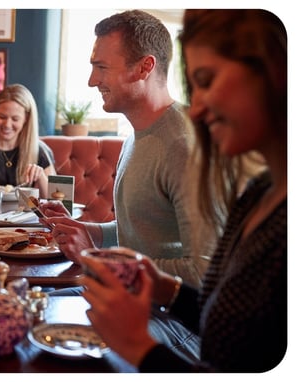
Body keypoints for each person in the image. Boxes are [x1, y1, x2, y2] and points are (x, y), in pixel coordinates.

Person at [74, 9, 287, 372]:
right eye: (194, 84)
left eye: (207, 80)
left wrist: (140, 345)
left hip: (177, 329)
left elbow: (205, 275)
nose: (197, 107)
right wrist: (95, 237)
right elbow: (152, 231)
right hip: (168, 306)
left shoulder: (183, 145)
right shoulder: (261, 194)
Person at [43, 10, 215, 288]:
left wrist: (100, 259)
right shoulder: (135, 136)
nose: (92, 80)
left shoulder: (183, 147)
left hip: (176, 320)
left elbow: (204, 270)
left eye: (102, 68)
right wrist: (85, 232)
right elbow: (139, 235)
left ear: (145, 67)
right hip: (130, 297)